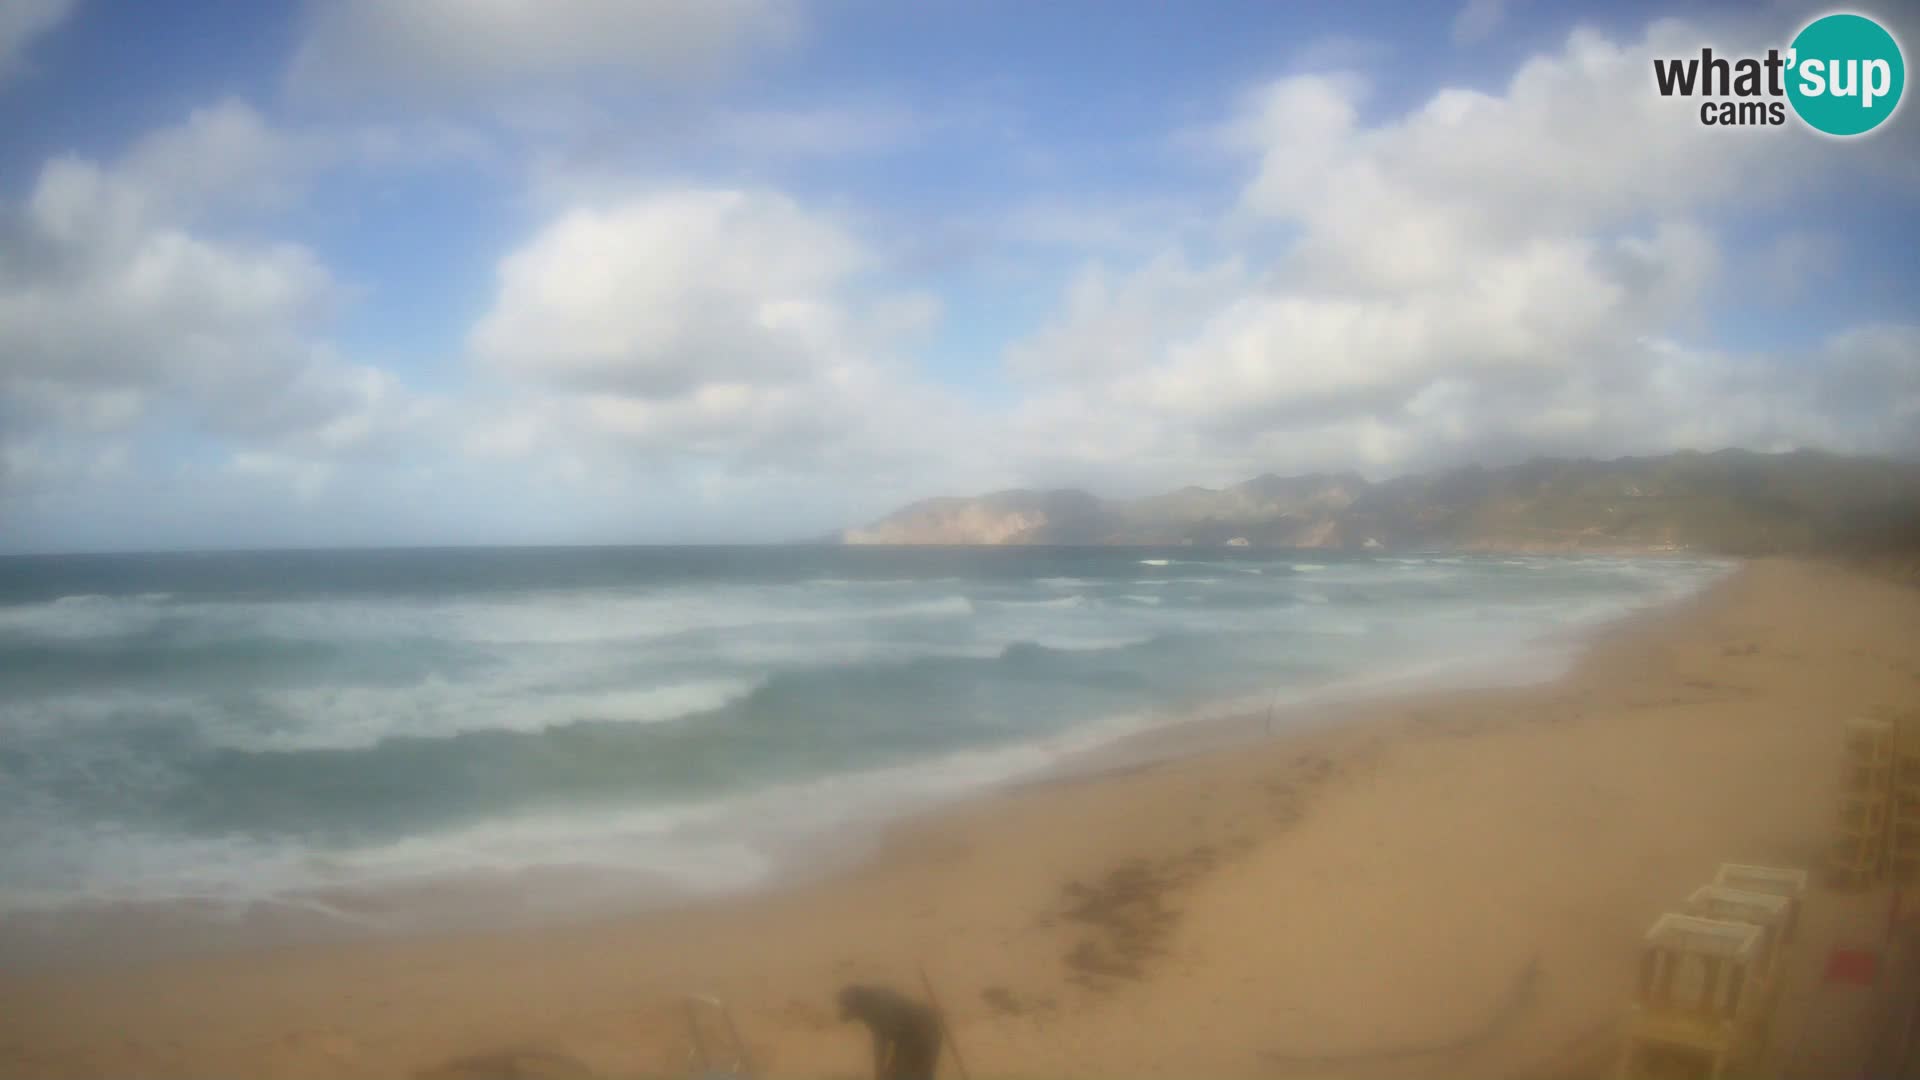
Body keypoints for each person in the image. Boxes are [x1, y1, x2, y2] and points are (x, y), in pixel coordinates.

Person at [837, 984, 942, 1080]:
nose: (843, 1011)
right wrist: (880, 1073)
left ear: (857, 1003)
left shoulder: (877, 1008)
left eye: (847, 1007)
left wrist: (880, 1073)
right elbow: (882, 1043)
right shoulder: (871, 1005)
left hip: (924, 1031)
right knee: (906, 1074)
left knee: (910, 1074)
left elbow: (882, 1045)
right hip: (917, 1032)